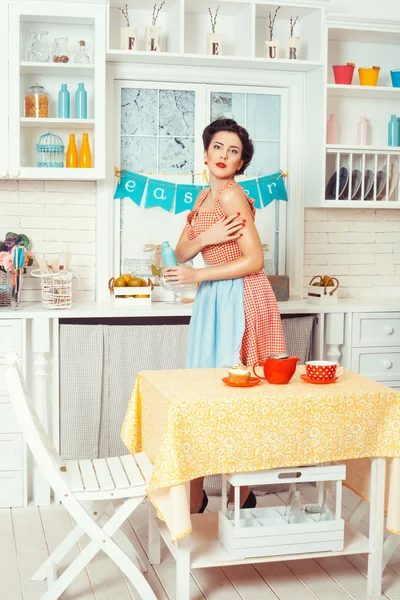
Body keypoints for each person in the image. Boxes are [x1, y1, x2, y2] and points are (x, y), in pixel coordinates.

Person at [164, 118, 287, 513]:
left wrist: (199, 273)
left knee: (233, 402)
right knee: (203, 397)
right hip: (213, 301)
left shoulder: (233, 197)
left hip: (241, 298)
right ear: (205, 153)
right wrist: (208, 238)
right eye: (218, 147)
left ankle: (236, 494)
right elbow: (181, 252)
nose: (224, 155)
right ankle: (204, 495)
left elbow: (255, 260)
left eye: (233, 151)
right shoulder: (202, 199)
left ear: (240, 163)